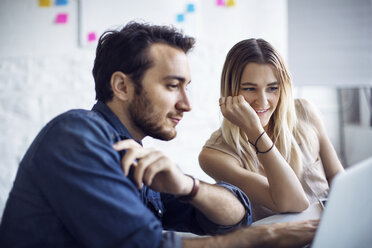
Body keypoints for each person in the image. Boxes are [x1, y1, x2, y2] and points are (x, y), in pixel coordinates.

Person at [0, 22, 318, 248]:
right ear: (122, 86)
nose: (187, 104)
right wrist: (266, 238)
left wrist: (189, 187)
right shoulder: (75, 136)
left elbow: (236, 216)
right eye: (171, 86)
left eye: (186, 87)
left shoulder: (133, 154)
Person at [199, 38, 345, 221]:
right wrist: (254, 131)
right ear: (230, 90)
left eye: (272, 88)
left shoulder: (306, 113)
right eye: (250, 89)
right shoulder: (214, 155)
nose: (262, 101)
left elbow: (338, 179)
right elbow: (294, 202)